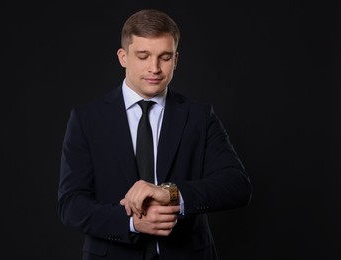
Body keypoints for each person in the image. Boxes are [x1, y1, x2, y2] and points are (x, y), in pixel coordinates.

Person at [57, 9, 252, 260]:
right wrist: (131, 223)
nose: (155, 68)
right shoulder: (86, 120)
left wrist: (171, 194)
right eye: (143, 56)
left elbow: (237, 186)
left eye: (165, 57)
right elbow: (70, 204)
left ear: (176, 59)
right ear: (123, 57)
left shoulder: (199, 116)